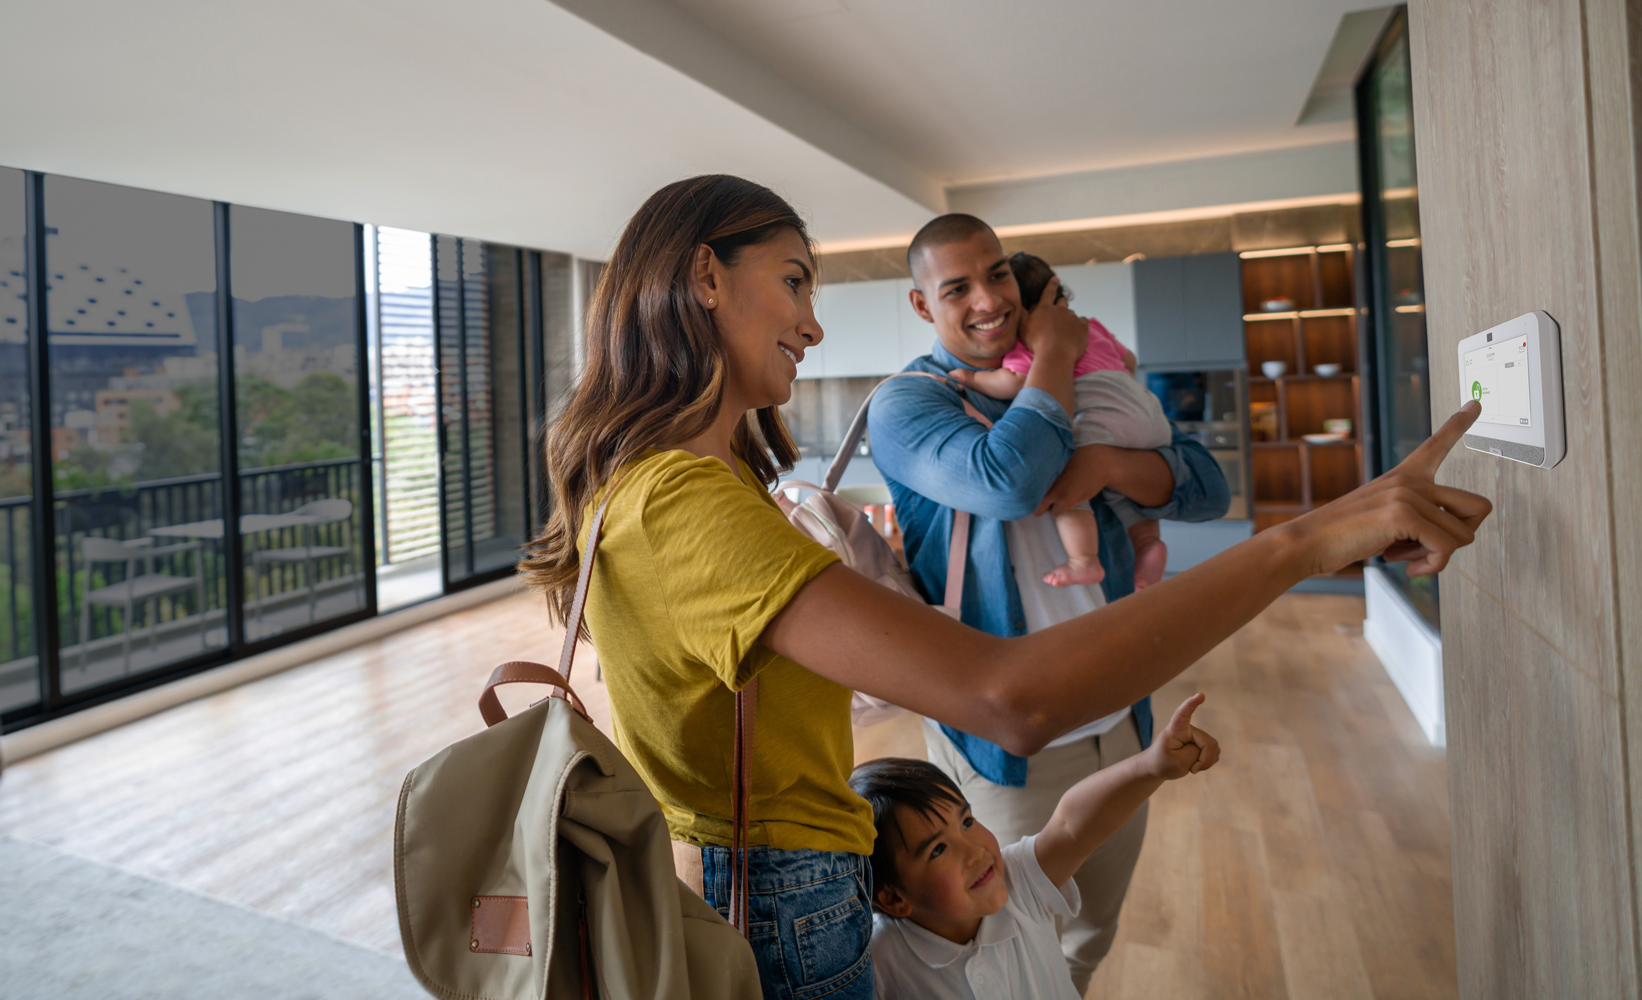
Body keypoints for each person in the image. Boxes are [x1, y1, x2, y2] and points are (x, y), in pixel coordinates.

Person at [519, 174, 1491, 1000]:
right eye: (793, 282)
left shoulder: (676, 485)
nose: (811, 322)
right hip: (782, 896)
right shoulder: (685, 499)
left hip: (800, 881)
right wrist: (1308, 539)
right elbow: (1007, 696)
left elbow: (1188, 480)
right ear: (702, 277)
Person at [868, 214, 1223, 989]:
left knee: (1091, 931)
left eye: (997, 273)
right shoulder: (909, 405)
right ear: (924, 306)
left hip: (1119, 725)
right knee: (996, 953)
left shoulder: (1093, 376)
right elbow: (1011, 479)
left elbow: (1205, 484)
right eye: (956, 287)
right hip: (1004, 750)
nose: (989, 299)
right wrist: (1056, 351)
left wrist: (1106, 464)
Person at [852, 694, 1219, 1000]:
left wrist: (1152, 765)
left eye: (966, 822)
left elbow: (1070, 825)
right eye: (938, 850)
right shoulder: (878, 961)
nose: (975, 851)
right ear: (893, 900)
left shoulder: (1017, 883)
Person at [946, 251, 1171, 590]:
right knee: (1121, 490)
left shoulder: (1031, 341)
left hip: (1101, 415)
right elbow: (1129, 359)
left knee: (1068, 478)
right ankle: (1148, 541)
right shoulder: (1089, 325)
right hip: (1149, 412)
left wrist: (974, 379)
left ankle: (1083, 560)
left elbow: (1015, 382)